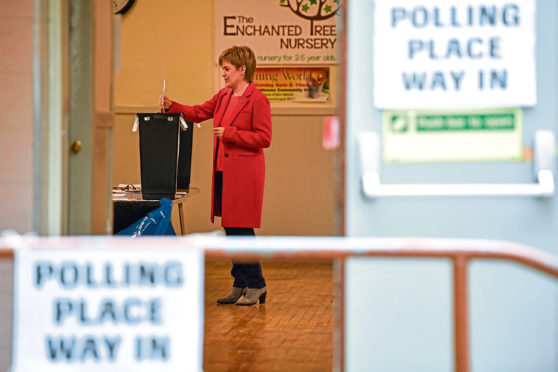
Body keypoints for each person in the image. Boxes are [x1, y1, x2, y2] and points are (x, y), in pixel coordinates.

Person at [159, 46, 271, 306]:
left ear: (242, 70)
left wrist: (231, 134)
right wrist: (171, 105)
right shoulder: (224, 96)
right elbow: (198, 112)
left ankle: (257, 284)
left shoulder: (258, 100)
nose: (223, 73)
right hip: (224, 172)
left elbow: (264, 138)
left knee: (242, 230)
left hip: (244, 175)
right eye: (222, 68)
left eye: (227, 68)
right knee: (231, 228)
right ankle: (240, 283)